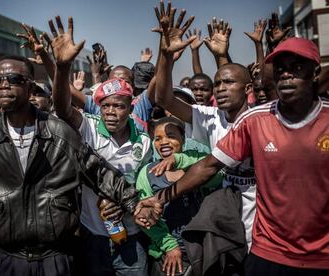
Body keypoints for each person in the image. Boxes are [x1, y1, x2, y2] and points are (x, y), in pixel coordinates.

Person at [0, 55, 140, 276]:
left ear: (30, 87)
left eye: (13, 79)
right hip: (10, 258)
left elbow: (98, 172)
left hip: (56, 256)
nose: (4, 85)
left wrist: (136, 203)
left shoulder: (60, 133)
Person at [136, 37, 329, 276]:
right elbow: (209, 165)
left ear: (316, 72)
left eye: (296, 67)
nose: (286, 75)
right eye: (280, 69)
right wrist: (160, 198)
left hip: (319, 253)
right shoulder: (254, 121)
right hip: (260, 241)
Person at [44, 15, 153, 275]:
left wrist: (132, 203)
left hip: (134, 236)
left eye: (119, 106)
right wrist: (61, 66)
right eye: (106, 106)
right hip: (93, 234)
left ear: (131, 108)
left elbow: (146, 186)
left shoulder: (145, 142)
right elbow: (62, 107)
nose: (112, 112)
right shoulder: (89, 127)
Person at [152, 0, 256, 249]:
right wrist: (166, 56)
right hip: (224, 227)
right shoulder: (209, 117)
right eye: (217, 84)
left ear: (248, 90)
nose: (220, 89)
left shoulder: (261, 119)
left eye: (227, 84)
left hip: (263, 230)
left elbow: (207, 168)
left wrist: (221, 56)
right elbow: (163, 99)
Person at [136, 117, 222, 276]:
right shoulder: (147, 173)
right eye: (158, 139)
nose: (163, 142)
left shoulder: (198, 165)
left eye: (171, 136)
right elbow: (144, 218)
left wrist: (179, 159)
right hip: (170, 255)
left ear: (183, 139)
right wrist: (170, 246)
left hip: (204, 250)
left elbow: (219, 174)